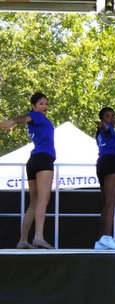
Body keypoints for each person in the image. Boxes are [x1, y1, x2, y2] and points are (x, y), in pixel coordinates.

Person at [0, 93, 56, 249]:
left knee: (34, 203)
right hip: (43, 159)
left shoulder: (37, 119)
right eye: (41, 103)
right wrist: (12, 121)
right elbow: (25, 117)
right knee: (42, 201)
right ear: (33, 106)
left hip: (33, 162)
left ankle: (23, 241)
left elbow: (26, 118)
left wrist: (12, 121)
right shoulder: (37, 116)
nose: (44, 106)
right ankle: (39, 237)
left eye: (46, 103)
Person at [94, 107, 115, 250]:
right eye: (107, 116)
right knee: (111, 202)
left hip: (101, 164)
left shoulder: (101, 134)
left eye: (113, 115)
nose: (111, 118)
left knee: (106, 204)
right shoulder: (107, 129)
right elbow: (107, 128)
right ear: (102, 120)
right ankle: (107, 237)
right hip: (111, 162)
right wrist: (104, 125)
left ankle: (100, 240)